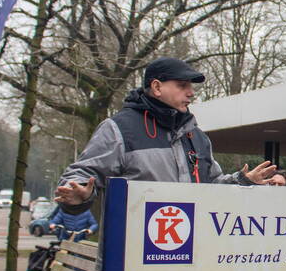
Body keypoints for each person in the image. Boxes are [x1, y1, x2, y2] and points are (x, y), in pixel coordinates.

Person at [55, 57, 274, 210]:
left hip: (191, 254)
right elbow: (80, 176)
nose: (191, 93)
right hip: (131, 259)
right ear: (157, 87)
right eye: (182, 85)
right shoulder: (118, 129)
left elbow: (212, 187)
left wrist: (242, 180)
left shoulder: (197, 137)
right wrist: (79, 194)